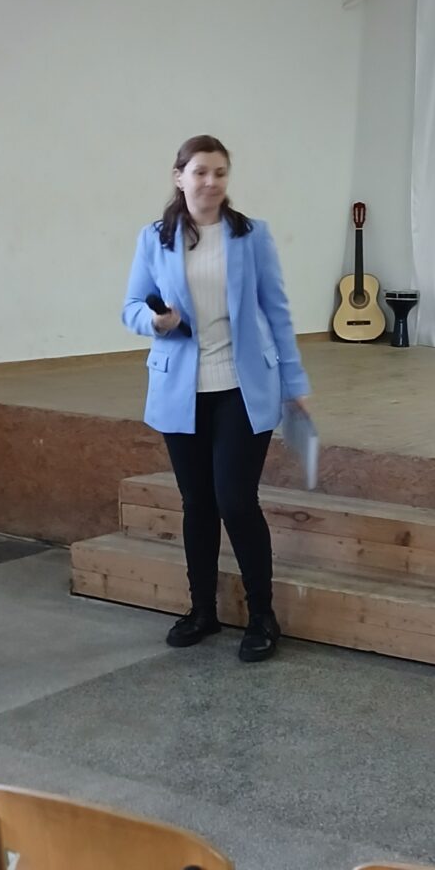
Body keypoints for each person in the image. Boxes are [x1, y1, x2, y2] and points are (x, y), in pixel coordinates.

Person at [122, 135, 310, 662]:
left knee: (235, 500)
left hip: (242, 388)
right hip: (180, 389)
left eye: (220, 173)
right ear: (179, 177)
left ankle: (262, 615)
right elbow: (130, 305)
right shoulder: (154, 238)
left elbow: (278, 313)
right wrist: (156, 322)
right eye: (200, 172)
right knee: (197, 503)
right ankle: (202, 609)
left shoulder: (251, 236)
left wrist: (295, 385)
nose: (211, 182)